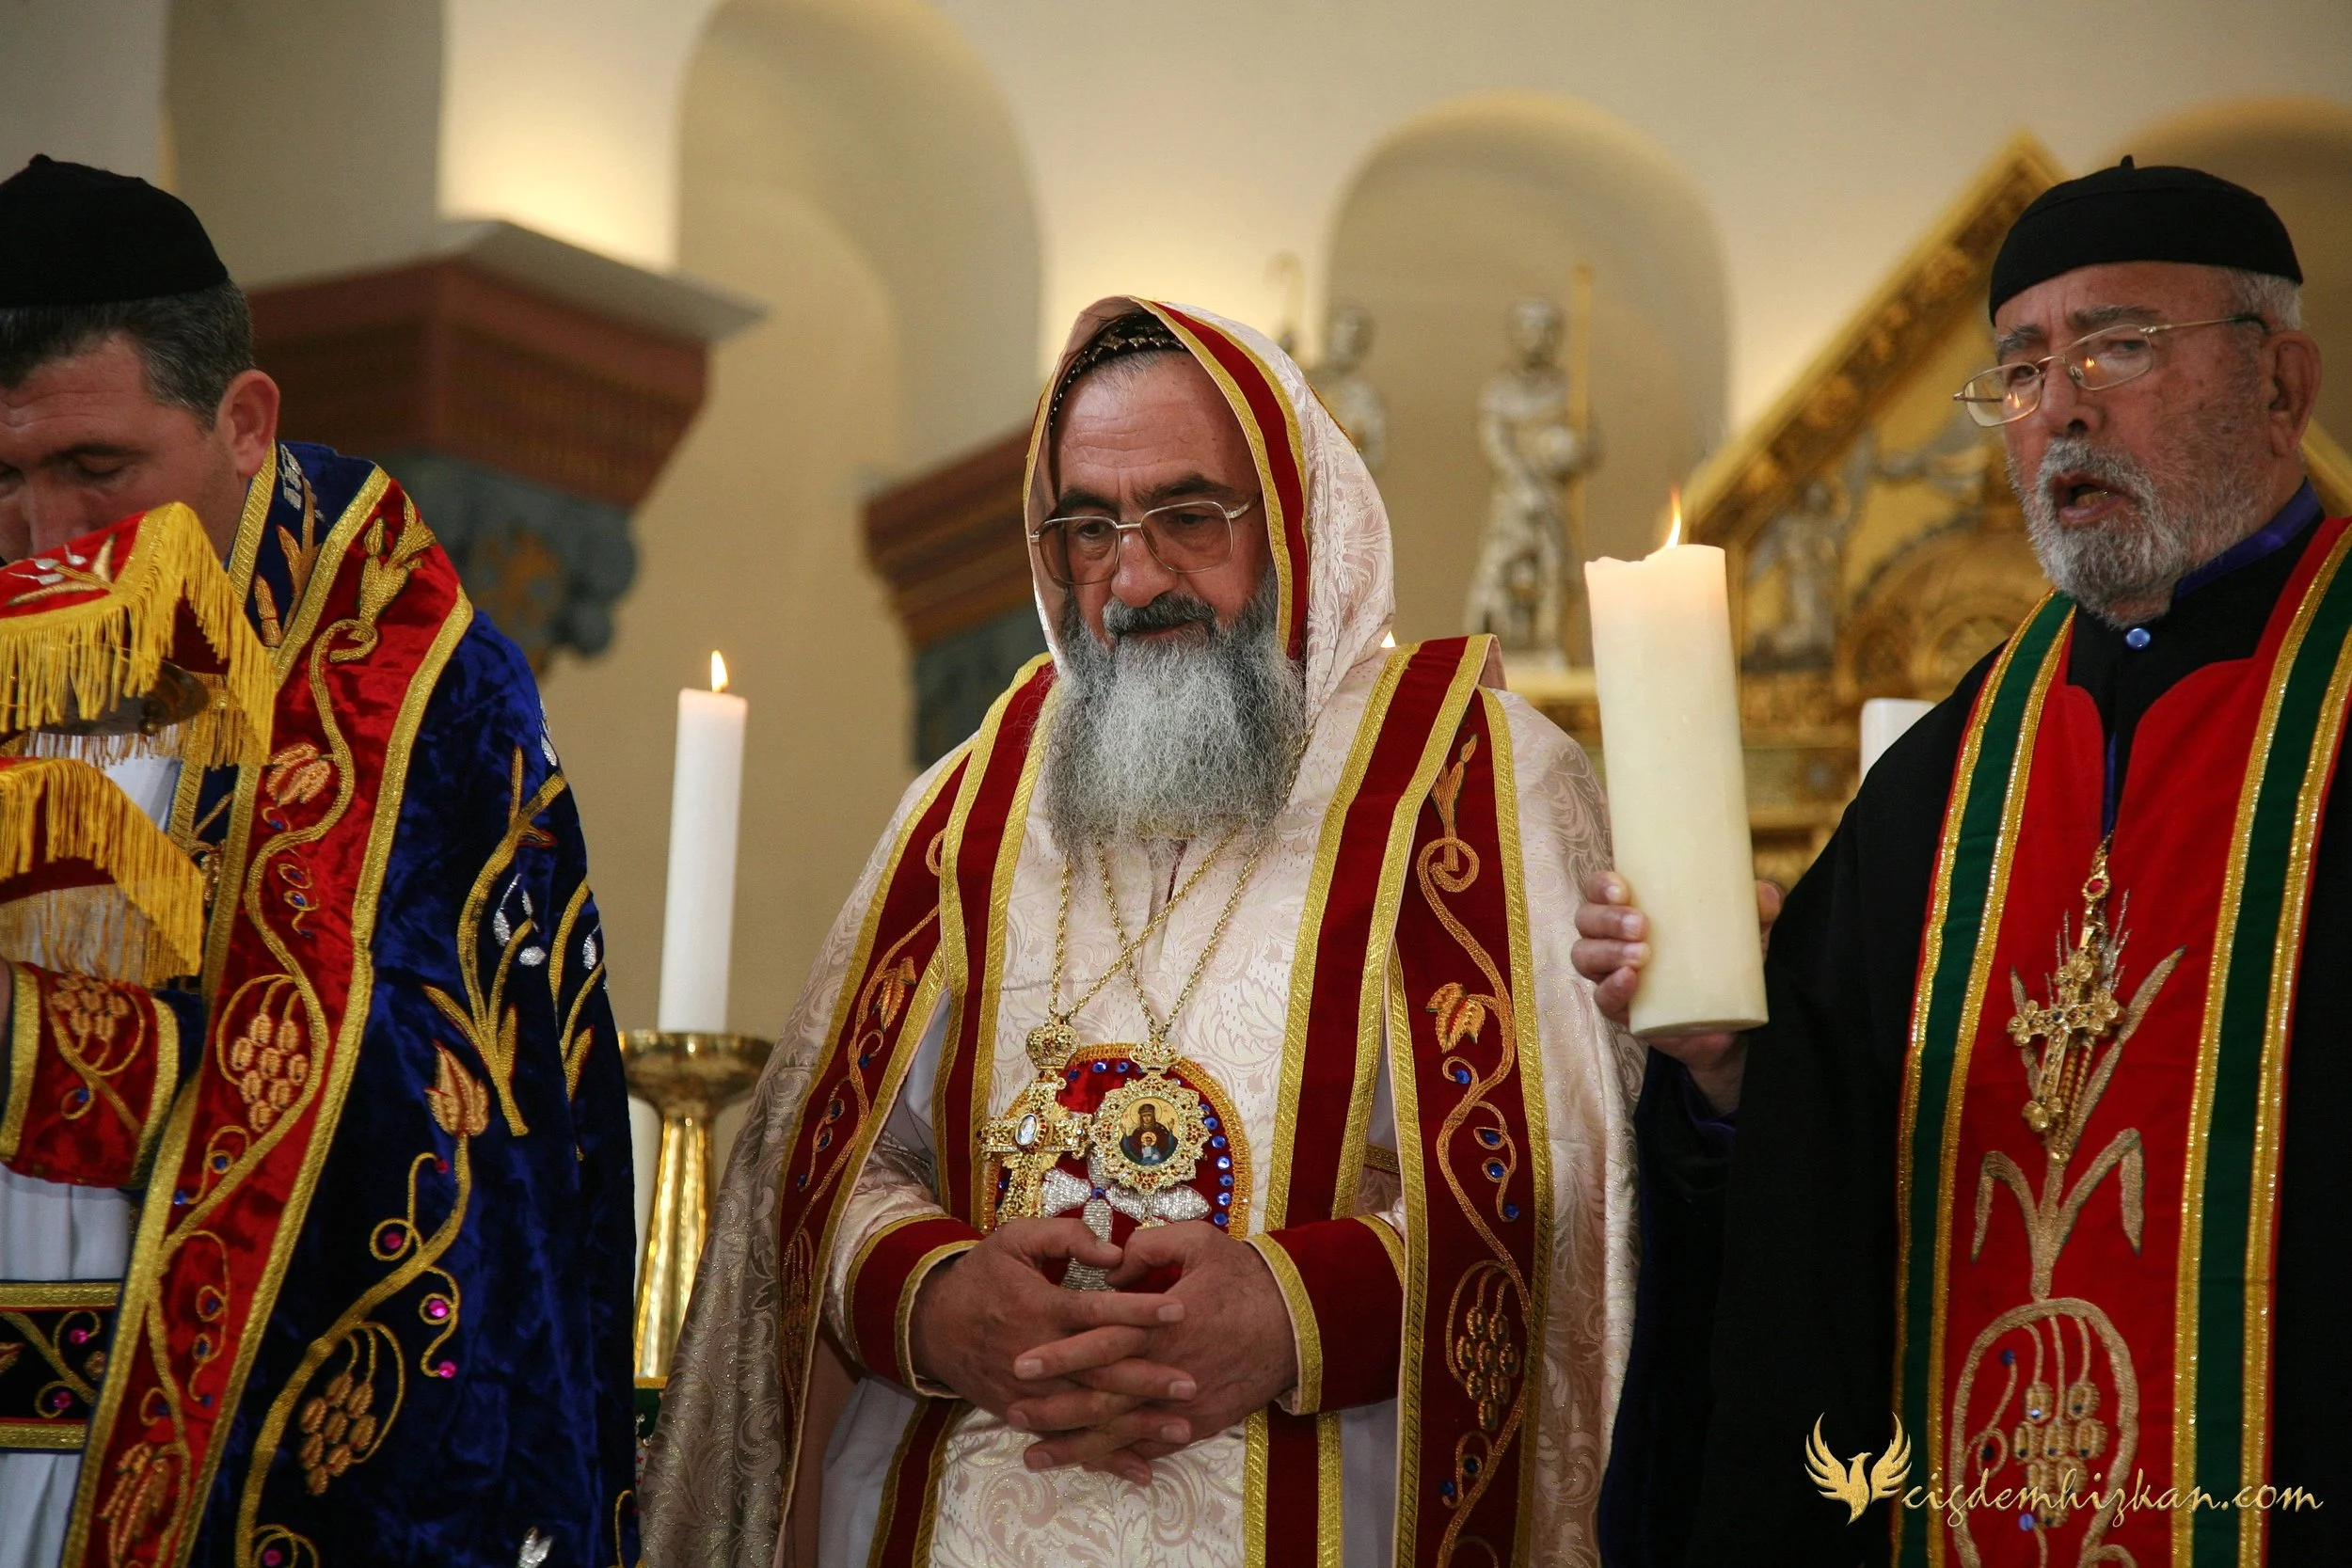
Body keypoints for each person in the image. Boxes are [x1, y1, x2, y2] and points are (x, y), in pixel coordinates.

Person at [645, 300, 1643, 1566]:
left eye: (1188, 515)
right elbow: (815, 1164)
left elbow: (1577, 1185)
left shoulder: (1483, 783)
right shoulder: (969, 801)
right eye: (1089, 526)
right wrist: (934, 1299)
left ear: (1292, 524)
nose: (1134, 576)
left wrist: (1295, 1314)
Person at [1579, 160, 2340, 1566]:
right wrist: (1730, 1060)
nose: (2064, 406)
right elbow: (1810, 1215)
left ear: (2281, 383)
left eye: (2119, 345)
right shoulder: (1946, 779)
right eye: (2023, 367)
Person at [0, 157, 638, 1566]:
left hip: (220, 1485)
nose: (43, 544)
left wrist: (35, 1049)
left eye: (96, 471)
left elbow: (421, 1111)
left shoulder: (414, 697)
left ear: (244, 421)